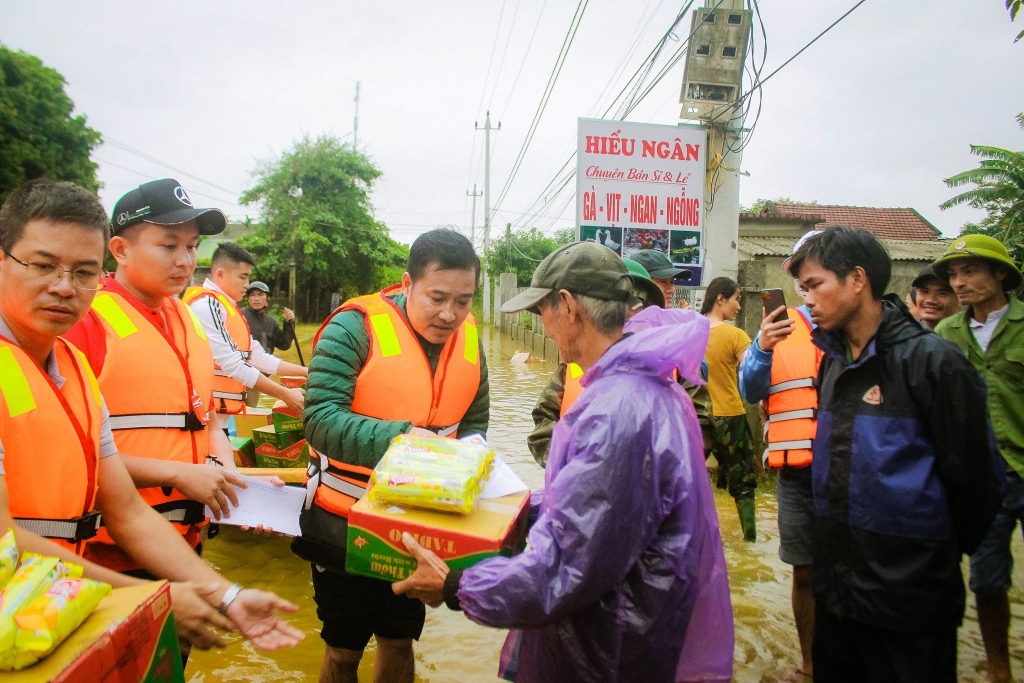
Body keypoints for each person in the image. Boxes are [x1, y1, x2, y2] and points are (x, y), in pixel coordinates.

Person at [392, 241, 734, 683]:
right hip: (638, 630)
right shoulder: (645, 387)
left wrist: (454, 586)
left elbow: (563, 570)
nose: (545, 328)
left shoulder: (615, 412)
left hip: (610, 649)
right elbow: (598, 511)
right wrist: (511, 508)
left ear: (568, 307)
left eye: (543, 313)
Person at [0, 179, 304, 653]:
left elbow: (126, 508)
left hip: (68, 598)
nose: (64, 287)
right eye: (42, 265)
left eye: (83, 272)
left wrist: (228, 594)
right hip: (81, 581)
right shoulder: (88, 333)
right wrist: (146, 598)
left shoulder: (73, 367)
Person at [787, 226, 1005, 682]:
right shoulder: (832, 361)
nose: (806, 299)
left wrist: (924, 559)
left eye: (814, 285)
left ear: (857, 279)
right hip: (838, 595)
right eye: (802, 288)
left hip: (909, 602)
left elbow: (979, 485)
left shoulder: (935, 363)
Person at [291, 228, 489, 683]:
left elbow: (476, 416)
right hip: (345, 519)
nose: (450, 313)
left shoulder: (469, 336)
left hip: (420, 521)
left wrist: (474, 452)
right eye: (437, 297)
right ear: (406, 283)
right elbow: (319, 419)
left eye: (463, 301)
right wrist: (408, 440)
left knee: (401, 639)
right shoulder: (352, 327)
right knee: (343, 647)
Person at [64, 178, 252, 577]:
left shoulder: (186, 317)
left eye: (191, 246)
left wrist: (220, 459)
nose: (185, 261)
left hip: (186, 540)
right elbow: (63, 452)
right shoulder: (83, 322)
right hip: (110, 553)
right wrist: (177, 473)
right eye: (169, 246)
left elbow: (208, 417)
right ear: (120, 250)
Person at [933, 235, 1024, 683]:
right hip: (984, 475)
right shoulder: (947, 334)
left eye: (969, 271)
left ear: (1001, 274)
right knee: (988, 581)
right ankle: (1000, 671)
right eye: (953, 274)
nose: (958, 282)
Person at [527, 258, 717, 468]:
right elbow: (542, 424)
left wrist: (642, 472)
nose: (625, 312)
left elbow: (702, 430)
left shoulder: (676, 364)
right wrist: (572, 464)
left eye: (635, 302)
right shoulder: (572, 363)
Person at [738, 231, 823, 680]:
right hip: (796, 474)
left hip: (851, 469)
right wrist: (762, 349)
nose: (807, 282)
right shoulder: (778, 327)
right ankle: (810, 664)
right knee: (804, 572)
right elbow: (749, 389)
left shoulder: (864, 328)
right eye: (801, 273)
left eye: (817, 271)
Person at [184, 242, 307, 417]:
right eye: (243, 277)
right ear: (220, 274)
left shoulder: (229, 309)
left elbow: (258, 356)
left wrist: (306, 372)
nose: (246, 285)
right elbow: (233, 364)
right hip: (203, 415)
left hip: (222, 414)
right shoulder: (207, 306)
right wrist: (286, 394)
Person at [702, 276, 757, 541]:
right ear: (720, 300)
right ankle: (750, 541)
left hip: (698, 418)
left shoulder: (690, 330)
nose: (738, 306)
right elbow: (751, 371)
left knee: (688, 482)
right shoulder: (736, 335)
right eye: (736, 299)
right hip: (731, 418)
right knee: (743, 484)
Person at [241, 281, 296, 408]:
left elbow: (284, 344)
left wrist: (289, 323)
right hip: (240, 373)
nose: (256, 299)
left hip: (258, 378)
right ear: (248, 299)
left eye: (260, 295)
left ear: (267, 299)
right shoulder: (240, 315)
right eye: (253, 295)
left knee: (250, 411)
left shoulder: (271, 323)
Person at [912, 264, 958, 330]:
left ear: (959, 299)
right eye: (925, 292)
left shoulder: (967, 336)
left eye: (942, 293)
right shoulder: (901, 334)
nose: (930, 300)